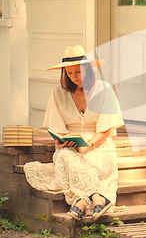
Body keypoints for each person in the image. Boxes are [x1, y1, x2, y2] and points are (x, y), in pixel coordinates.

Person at [24, 45, 123, 221]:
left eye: (78, 72)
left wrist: (88, 146)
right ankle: (96, 197)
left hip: (100, 145)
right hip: (71, 146)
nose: (74, 77)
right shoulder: (58, 93)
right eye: (69, 73)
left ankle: (80, 200)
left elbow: (106, 129)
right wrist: (60, 143)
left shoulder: (104, 89)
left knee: (88, 163)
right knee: (62, 155)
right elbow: (56, 129)